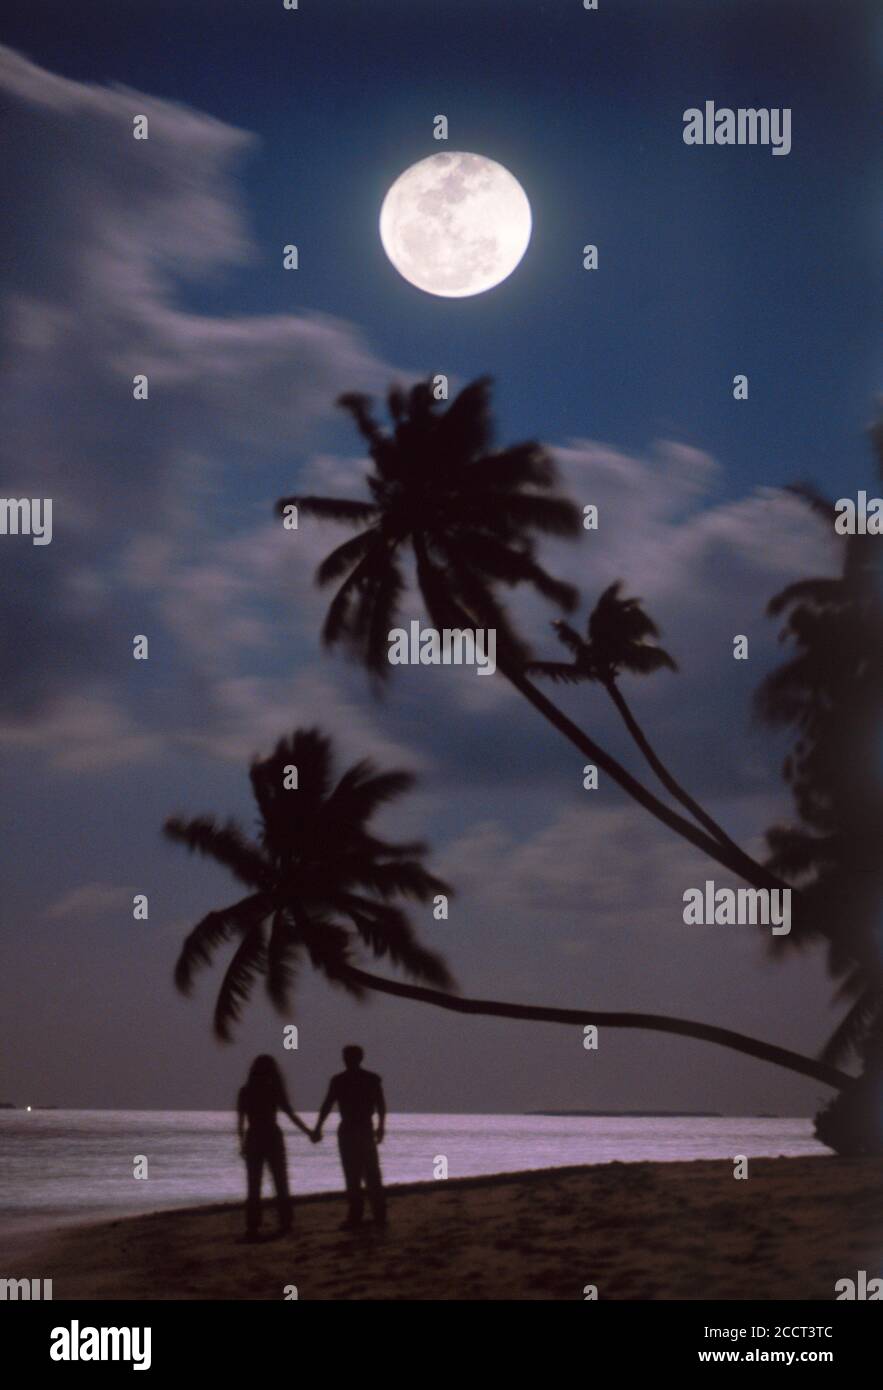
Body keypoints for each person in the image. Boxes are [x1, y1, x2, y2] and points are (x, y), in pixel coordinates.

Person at [237, 1054, 312, 1240]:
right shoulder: (273, 1090)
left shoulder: (245, 1091)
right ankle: (285, 1223)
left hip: (254, 1136)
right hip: (272, 1135)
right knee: (280, 1180)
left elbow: (240, 1123)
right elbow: (291, 1115)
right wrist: (309, 1132)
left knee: (254, 1184)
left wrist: (242, 1143)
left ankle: (253, 1227)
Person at [312, 1045, 386, 1229]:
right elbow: (381, 1105)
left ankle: (359, 1215)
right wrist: (381, 1127)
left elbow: (327, 1105)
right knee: (369, 1172)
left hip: (352, 1129)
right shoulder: (370, 1079)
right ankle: (376, 1214)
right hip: (361, 1129)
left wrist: (318, 1127)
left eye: (346, 1056)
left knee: (355, 1174)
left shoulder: (341, 1081)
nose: (345, 1059)